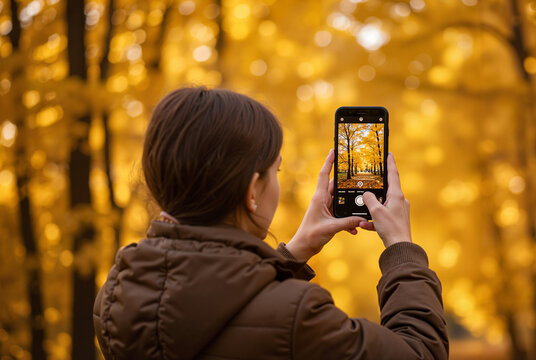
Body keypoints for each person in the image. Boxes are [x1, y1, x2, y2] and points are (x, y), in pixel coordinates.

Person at [93, 87, 449, 359]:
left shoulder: (117, 298)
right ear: (252, 189)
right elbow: (420, 352)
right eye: (275, 171)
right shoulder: (299, 317)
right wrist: (402, 251)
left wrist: (292, 256)